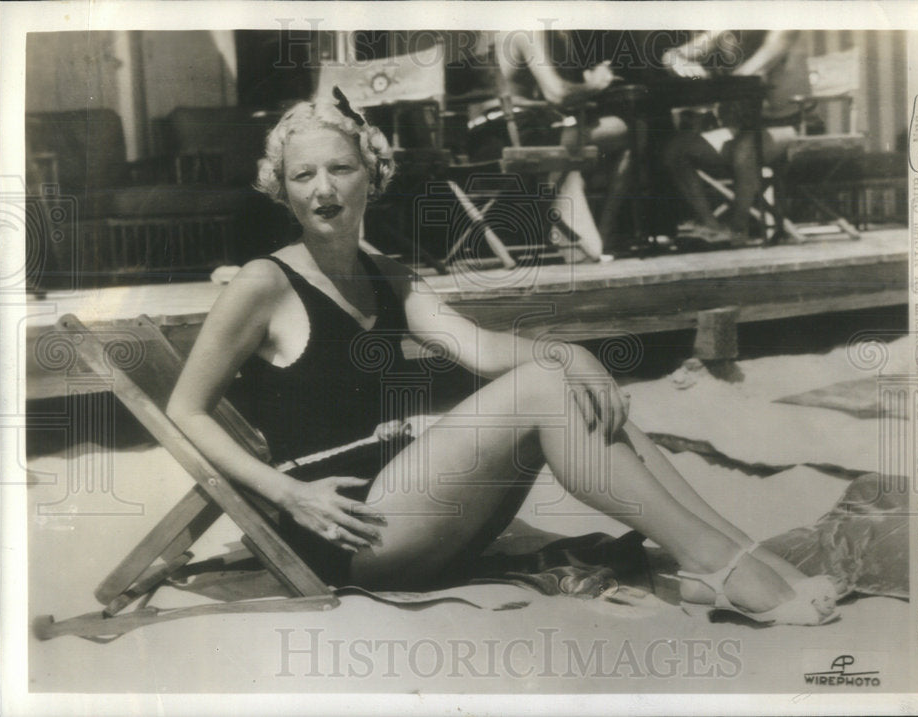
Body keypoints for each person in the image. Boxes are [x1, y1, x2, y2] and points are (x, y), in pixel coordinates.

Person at [166, 92, 841, 625]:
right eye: (302, 175)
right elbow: (184, 408)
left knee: (582, 388)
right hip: (349, 531)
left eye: (340, 168)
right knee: (549, 384)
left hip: (409, 511)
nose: (323, 189)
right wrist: (288, 493)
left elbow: (482, 349)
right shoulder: (264, 282)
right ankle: (725, 567)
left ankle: (733, 551)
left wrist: (578, 355)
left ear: (372, 176)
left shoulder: (385, 274)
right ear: (281, 189)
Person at [467, 30, 629, 261]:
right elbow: (557, 93)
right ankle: (594, 237)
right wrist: (596, 83)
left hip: (483, 136)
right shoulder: (526, 29)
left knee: (573, 140)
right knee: (620, 130)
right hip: (511, 135)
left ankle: (578, 234)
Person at [660, 30, 805, 245]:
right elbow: (671, 57)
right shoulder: (726, 28)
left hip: (786, 126)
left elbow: (750, 74)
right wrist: (685, 68)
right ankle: (712, 225)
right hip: (742, 130)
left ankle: (738, 228)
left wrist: (708, 81)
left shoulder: (782, 27)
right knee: (675, 152)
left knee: (744, 149)